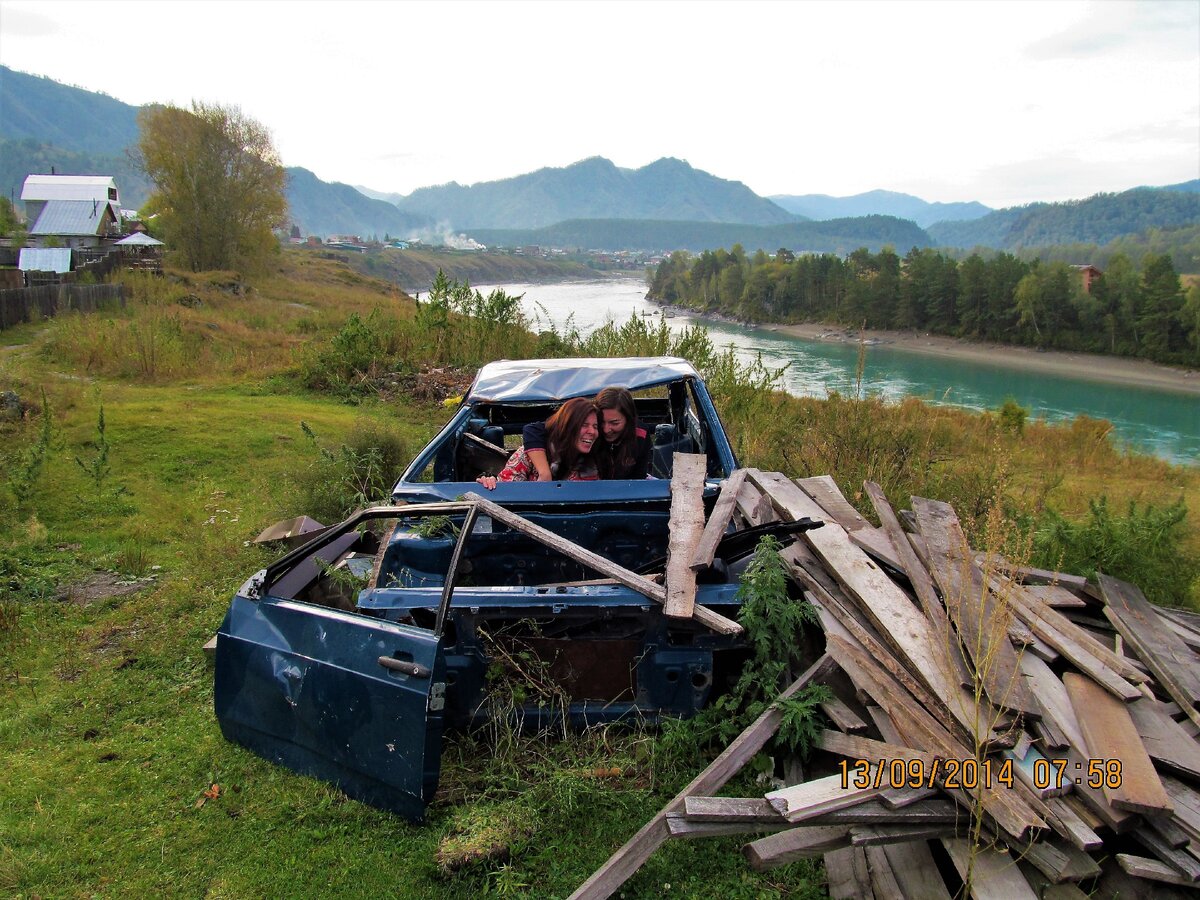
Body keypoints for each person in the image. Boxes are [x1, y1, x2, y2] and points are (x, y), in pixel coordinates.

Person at [522, 386, 652, 480]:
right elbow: (532, 430)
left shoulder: (640, 435)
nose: (606, 430)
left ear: (629, 419)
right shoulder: (589, 432)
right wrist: (545, 473)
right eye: (600, 422)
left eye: (615, 423)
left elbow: (639, 476)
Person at [476, 397, 600, 489]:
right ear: (567, 426)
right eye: (584, 425)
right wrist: (490, 485)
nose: (592, 431)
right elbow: (505, 491)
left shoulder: (597, 461)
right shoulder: (529, 455)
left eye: (595, 426)